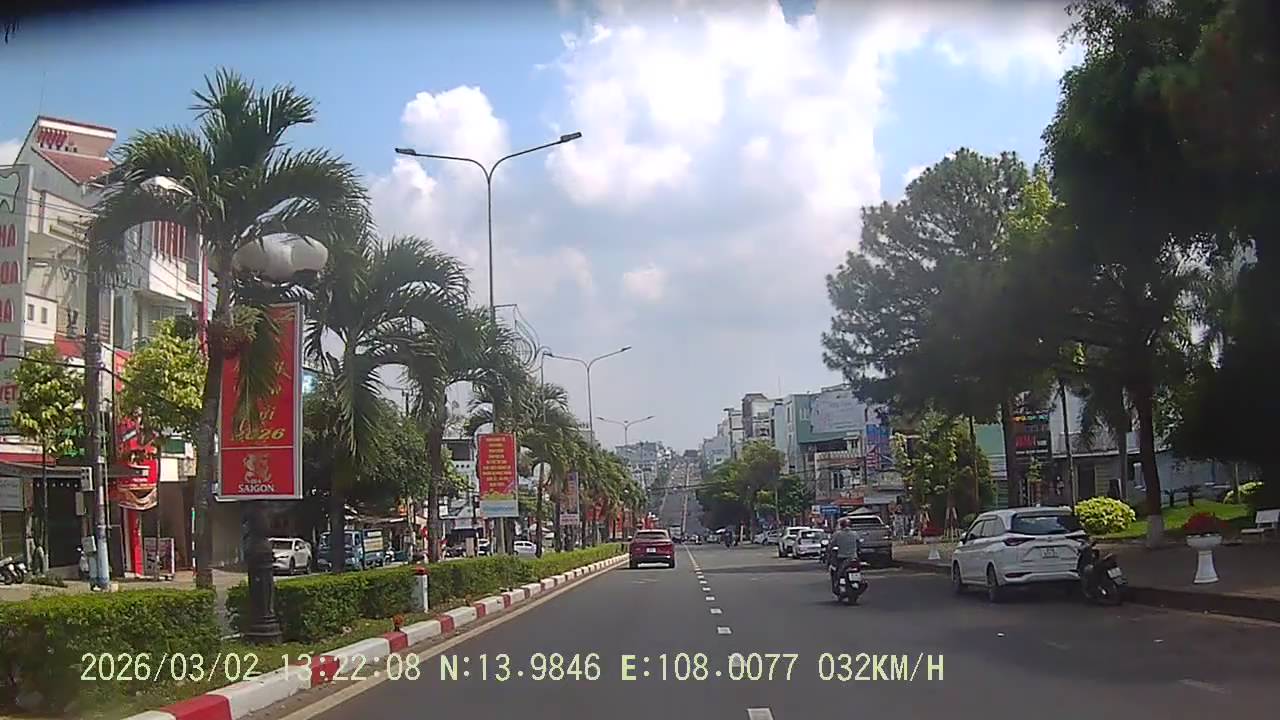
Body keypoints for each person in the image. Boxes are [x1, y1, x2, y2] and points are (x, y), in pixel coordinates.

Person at [828, 517, 861, 591]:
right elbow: (859, 544)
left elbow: (831, 545)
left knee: (837, 572)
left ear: (841, 526)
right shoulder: (855, 534)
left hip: (841, 558)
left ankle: (838, 585)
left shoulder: (837, 534)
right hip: (853, 557)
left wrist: (830, 553)